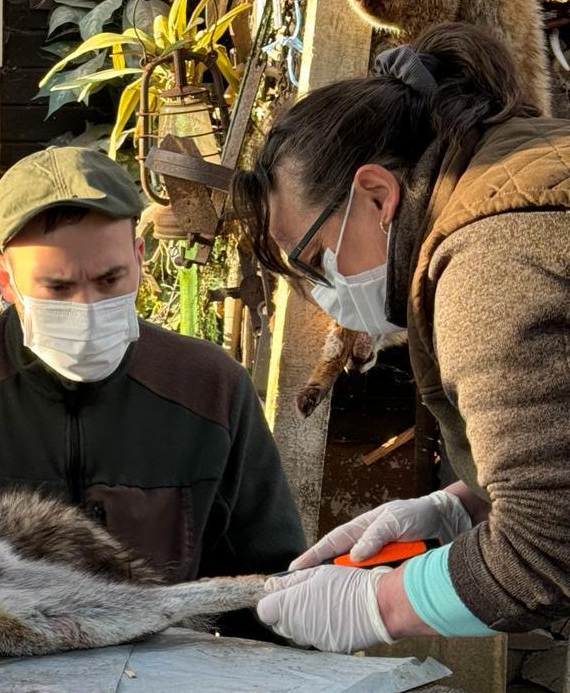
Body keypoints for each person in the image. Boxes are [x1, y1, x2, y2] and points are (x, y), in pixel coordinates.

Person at [0, 146, 305, 608]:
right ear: (5, 279)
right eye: (58, 287)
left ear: (139, 257)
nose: (87, 306)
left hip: (161, 659)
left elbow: (272, 584)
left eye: (110, 279)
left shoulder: (211, 388)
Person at [232, 22, 570, 652]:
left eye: (312, 257)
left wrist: (379, 603)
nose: (318, 288)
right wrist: (464, 503)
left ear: (377, 195)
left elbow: (548, 549)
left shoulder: (490, 268)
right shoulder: (527, 169)